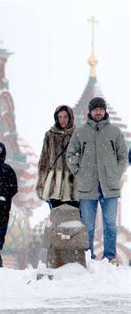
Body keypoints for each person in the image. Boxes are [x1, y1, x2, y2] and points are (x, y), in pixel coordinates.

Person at [66, 97, 128, 264]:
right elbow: (70, 155)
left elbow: (123, 155)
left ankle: (109, 257)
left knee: (110, 224)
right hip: (87, 187)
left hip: (110, 186)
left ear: (105, 110)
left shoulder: (114, 132)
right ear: (90, 111)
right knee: (87, 226)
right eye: (95, 109)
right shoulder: (81, 132)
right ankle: (88, 257)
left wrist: (115, 172)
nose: (98, 112)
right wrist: (79, 172)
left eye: (101, 109)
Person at [36, 105, 78, 209]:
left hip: (72, 183)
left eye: (65, 117)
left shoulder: (78, 135)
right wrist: (41, 183)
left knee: (74, 218)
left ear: (70, 117)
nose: (62, 120)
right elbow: (44, 161)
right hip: (55, 183)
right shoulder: (50, 135)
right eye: (60, 117)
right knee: (56, 217)